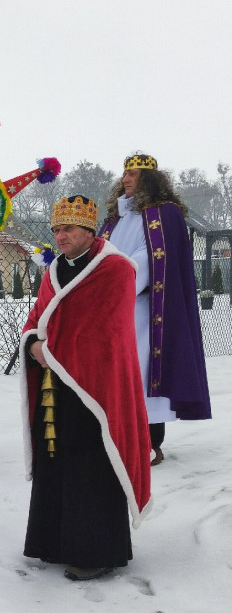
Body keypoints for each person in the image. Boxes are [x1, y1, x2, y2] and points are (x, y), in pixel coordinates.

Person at [20, 196, 151, 581]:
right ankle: (56, 541)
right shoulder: (54, 270)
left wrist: (50, 348)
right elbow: (38, 315)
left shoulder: (116, 269)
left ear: (89, 231)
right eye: (56, 230)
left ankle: (96, 551)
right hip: (55, 385)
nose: (60, 237)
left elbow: (106, 331)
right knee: (57, 460)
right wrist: (32, 342)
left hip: (98, 391)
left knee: (91, 465)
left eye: (68, 230)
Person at [99, 153, 211, 465]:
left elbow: (147, 260)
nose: (126, 179)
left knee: (145, 371)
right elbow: (102, 253)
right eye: (124, 174)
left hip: (148, 312)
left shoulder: (167, 214)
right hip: (112, 311)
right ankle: (115, 436)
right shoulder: (115, 218)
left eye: (132, 174)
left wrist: (113, 277)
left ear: (149, 179)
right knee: (116, 372)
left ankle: (149, 442)